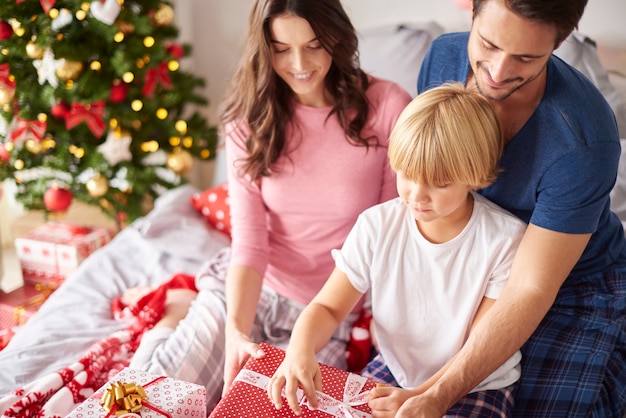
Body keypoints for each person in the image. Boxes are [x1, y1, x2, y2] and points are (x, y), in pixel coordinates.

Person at [127, 0, 411, 411]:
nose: (299, 63)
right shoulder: (248, 118)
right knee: (150, 401)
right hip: (246, 293)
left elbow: (389, 230)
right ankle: (176, 314)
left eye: (315, 45)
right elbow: (250, 241)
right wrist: (236, 332)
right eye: (281, 48)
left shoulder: (387, 106)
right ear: (264, 48)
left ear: (337, 37)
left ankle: (178, 314)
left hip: (325, 315)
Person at [392, 0, 626, 416]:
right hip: (473, 261)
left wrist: (438, 394)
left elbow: (530, 287)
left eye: (526, 57)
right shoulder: (443, 56)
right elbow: (426, 168)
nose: (498, 73)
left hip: (572, 281)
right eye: (487, 44)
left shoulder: (583, 139)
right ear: (472, 12)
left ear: (561, 41)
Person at [268, 83, 527, 417]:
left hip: (476, 382)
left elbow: (477, 350)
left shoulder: (505, 239)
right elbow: (329, 307)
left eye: (439, 182)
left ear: (475, 174)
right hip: (397, 369)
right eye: (407, 174)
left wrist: (420, 397)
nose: (417, 195)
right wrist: (299, 349)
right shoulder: (377, 226)